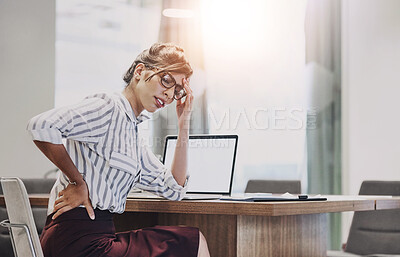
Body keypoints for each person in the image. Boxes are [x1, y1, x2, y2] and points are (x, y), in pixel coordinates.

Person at [27, 42, 211, 257]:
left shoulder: (132, 134)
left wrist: (184, 124)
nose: (169, 95)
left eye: (177, 91)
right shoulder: (108, 107)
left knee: (190, 241)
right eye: (167, 81)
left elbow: (173, 188)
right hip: (75, 240)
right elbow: (41, 126)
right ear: (140, 72)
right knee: (192, 242)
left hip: (97, 238)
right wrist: (77, 181)